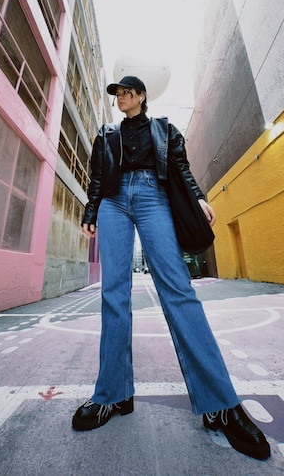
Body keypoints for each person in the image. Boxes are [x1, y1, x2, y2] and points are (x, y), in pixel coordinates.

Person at [72, 75, 270, 461]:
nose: (122, 98)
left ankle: (220, 404)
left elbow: (180, 166)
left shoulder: (164, 129)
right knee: (113, 294)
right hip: (113, 202)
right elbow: (97, 176)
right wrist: (91, 209)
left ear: (142, 96)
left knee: (179, 292)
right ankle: (113, 395)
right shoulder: (106, 133)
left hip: (152, 196)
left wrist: (197, 198)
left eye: (128, 92)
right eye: (117, 94)